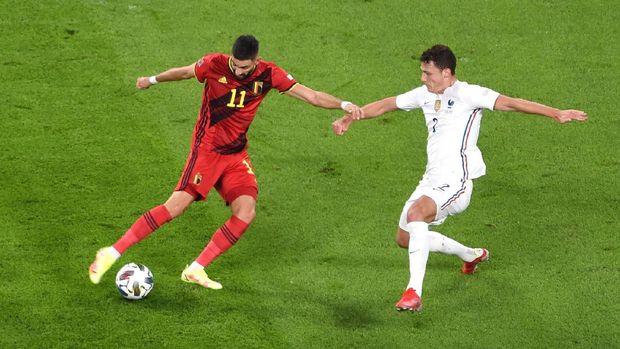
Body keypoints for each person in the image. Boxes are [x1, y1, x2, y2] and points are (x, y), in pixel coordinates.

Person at [89, 34, 362, 289]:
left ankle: (195, 269)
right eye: (235, 64)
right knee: (176, 206)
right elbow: (184, 72)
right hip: (207, 150)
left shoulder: (268, 74)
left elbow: (311, 95)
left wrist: (344, 104)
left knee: (246, 211)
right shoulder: (214, 64)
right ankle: (111, 252)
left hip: (236, 154)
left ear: (255, 61)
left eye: (244, 67)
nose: (238, 70)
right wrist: (151, 80)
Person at [331, 44, 587, 312]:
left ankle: (413, 292)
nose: (423, 78)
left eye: (428, 73)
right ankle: (470, 254)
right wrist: (353, 117)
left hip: (457, 182)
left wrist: (555, 112)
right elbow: (387, 104)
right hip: (430, 180)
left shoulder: (468, 93)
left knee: (417, 214)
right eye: (422, 72)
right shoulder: (424, 94)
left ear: (446, 72)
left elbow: (511, 102)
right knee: (405, 238)